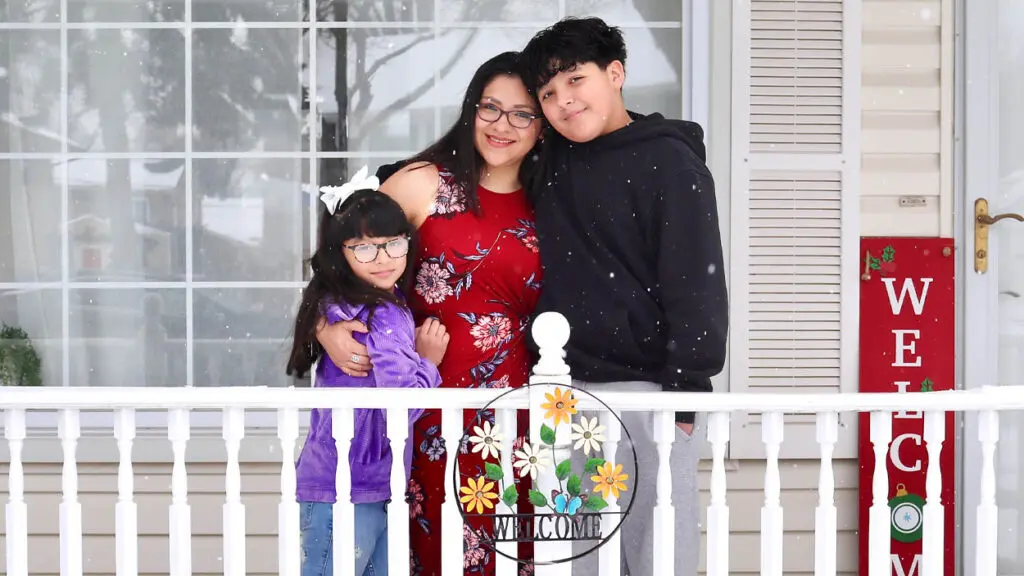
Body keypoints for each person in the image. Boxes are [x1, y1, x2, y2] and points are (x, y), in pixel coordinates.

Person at [314, 52, 545, 576]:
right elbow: (337, 263)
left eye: (521, 113)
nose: (502, 125)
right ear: (471, 109)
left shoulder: (549, 200)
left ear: (541, 126)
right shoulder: (426, 183)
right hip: (424, 406)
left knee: (509, 553)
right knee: (432, 549)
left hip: (515, 412)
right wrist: (323, 328)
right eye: (491, 107)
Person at [519, 17, 729, 576]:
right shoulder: (549, 160)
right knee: (577, 554)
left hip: (650, 389)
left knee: (657, 550)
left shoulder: (670, 163)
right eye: (548, 93)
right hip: (563, 389)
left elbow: (697, 283)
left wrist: (684, 391)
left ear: (615, 74)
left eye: (575, 80)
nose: (563, 102)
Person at [286, 171, 451, 576]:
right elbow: (401, 405)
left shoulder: (342, 302)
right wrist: (428, 362)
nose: (382, 258)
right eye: (363, 249)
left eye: (393, 244)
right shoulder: (380, 312)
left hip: (355, 482)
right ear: (339, 253)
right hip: (351, 486)